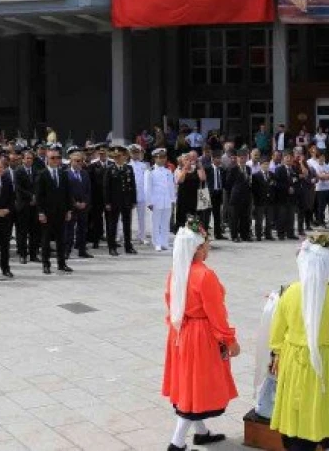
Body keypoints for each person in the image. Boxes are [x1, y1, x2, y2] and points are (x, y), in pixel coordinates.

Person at [270, 234, 329, 451]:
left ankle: (298, 443)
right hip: (326, 363)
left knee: (297, 406)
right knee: (325, 405)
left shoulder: (290, 293)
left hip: (293, 360)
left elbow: (277, 330)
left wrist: (278, 354)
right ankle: (325, 441)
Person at [162, 218, 237, 451]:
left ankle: (201, 432)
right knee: (197, 386)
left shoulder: (176, 272)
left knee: (190, 384)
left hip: (180, 332)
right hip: (200, 335)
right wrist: (229, 340)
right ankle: (176, 442)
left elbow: (170, 302)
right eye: (206, 244)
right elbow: (216, 314)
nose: (209, 248)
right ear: (197, 249)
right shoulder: (205, 275)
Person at [35, 149, 71, 274]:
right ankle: (46, 264)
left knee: (61, 239)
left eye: (57, 157)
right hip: (47, 213)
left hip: (61, 212)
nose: (55, 160)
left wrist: (68, 210)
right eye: (52, 158)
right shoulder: (42, 174)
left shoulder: (63, 173)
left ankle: (62, 264)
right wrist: (40, 212)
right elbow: (39, 196)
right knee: (45, 240)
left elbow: (67, 194)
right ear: (47, 160)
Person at [103, 145, 138, 256]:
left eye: (120, 156)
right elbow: (106, 187)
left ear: (124, 156)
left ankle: (128, 246)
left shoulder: (129, 168)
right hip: (114, 202)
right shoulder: (110, 169)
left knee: (127, 225)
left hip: (126, 201)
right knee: (112, 225)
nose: (118, 158)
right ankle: (112, 247)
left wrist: (133, 200)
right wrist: (107, 202)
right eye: (116, 157)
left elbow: (132, 185)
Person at [65, 148, 93, 259]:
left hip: (83, 207)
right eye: (76, 160)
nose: (78, 163)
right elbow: (66, 192)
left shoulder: (85, 173)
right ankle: (67, 251)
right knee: (69, 230)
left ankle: (82, 250)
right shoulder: (66, 174)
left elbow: (88, 190)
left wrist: (85, 202)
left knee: (82, 229)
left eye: (80, 160)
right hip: (71, 207)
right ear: (71, 161)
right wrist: (74, 203)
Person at [147, 149, 177, 251]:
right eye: (158, 157)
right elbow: (148, 188)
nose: (161, 160)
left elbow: (171, 187)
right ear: (155, 158)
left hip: (167, 200)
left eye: (163, 157)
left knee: (165, 222)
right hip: (156, 201)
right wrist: (149, 202)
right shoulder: (150, 171)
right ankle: (157, 243)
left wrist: (173, 200)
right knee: (156, 223)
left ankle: (164, 242)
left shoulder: (168, 171)